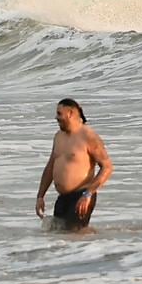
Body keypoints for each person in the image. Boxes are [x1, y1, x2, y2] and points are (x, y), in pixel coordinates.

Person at [36, 98, 113, 231]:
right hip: (63, 198)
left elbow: (107, 167)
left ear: (70, 113)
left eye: (59, 113)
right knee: (58, 236)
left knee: (75, 236)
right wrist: (40, 196)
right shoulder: (58, 136)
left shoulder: (88, 136)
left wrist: (88, 194)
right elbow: (50, 167)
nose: (56, 117)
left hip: (81, 196)